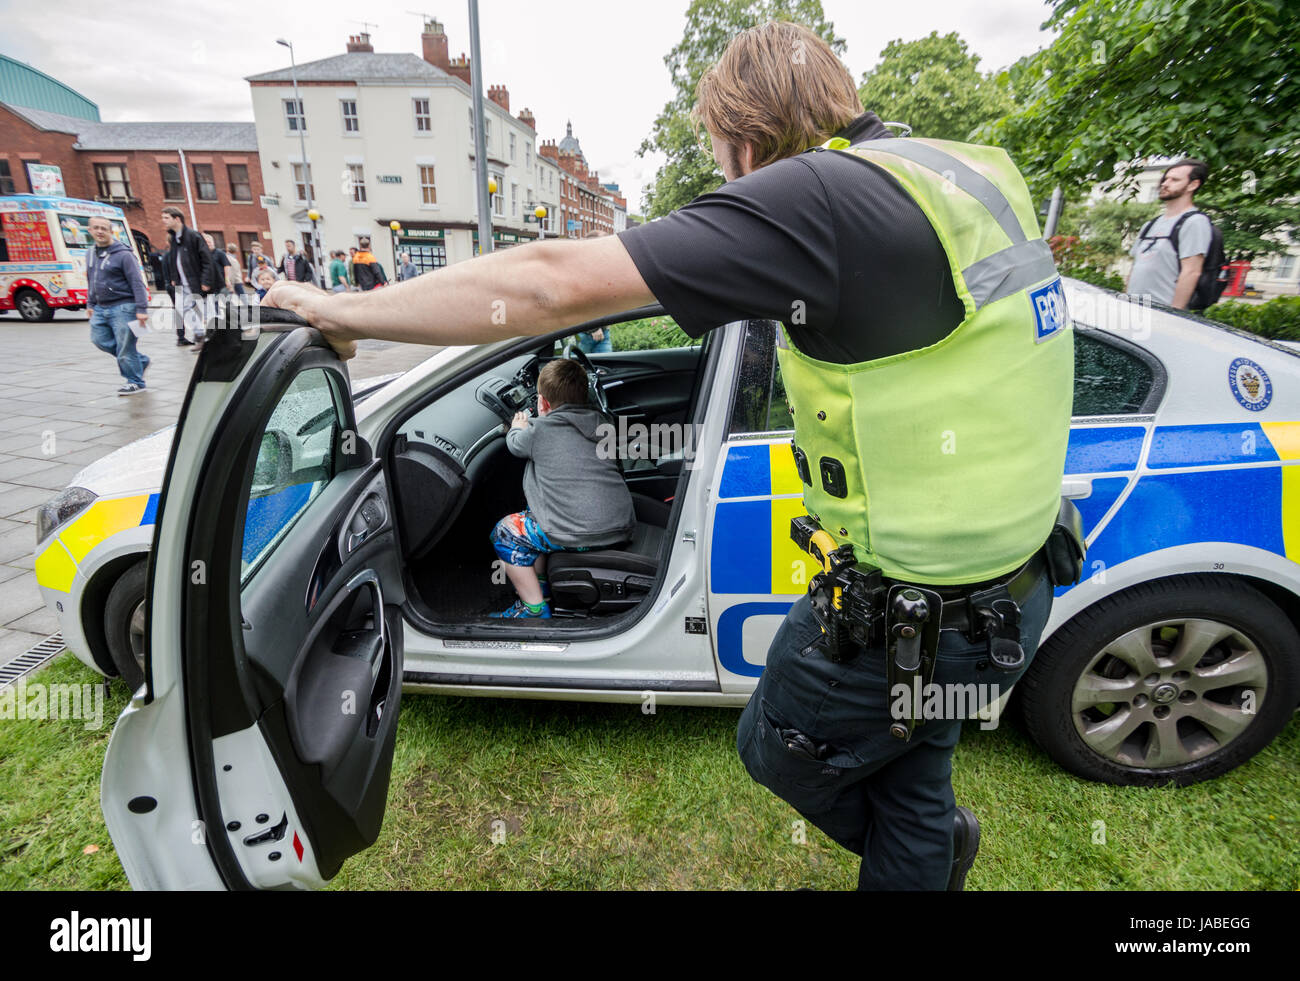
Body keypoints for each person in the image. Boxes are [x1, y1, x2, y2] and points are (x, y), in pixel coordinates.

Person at [264, 20, 1073, 891]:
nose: (728, 174)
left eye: (722, 152)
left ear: (748, 139)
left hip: (906, 612)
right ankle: (928, 847)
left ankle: (922, 856)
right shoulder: (965, 172)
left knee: (776, 746)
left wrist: (337, 310)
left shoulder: (820, 196)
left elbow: (545, 284)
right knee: (912, 767)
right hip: (1008, 588)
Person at [489, 358, 635, 618]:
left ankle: (533, 608)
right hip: (620, 527)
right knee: (534, 518)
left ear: (543, 402)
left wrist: (518, 426)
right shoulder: (604, 423)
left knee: (507, 532)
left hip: (574, 534)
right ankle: (544, 587)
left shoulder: (537, 429)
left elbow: (515, 445)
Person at [1126, 158, 1214, 309]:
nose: (1165, 183)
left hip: (1162, 314)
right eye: (1166, 179)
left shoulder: (1195, 222)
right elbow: (1135, 268)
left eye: (1174, 180)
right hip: (1134, 312)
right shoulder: (1150, 224)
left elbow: (1191, 272)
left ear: (1193, 185)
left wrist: (1174, 316)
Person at [85, 215, 151, 395]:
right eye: (96, 228)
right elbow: (91, 279)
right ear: (89, 230)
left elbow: (137, 282)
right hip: (100, 307)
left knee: (125, 346)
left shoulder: (124, 254)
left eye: (103, 228)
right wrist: (90, 303)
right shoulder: (90, 253)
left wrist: (141, 308)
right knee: (99, 340)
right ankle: (139, 361)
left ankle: (135, 381)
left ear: (111, 231)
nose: (99, 231)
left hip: (124, 306)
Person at [161, 205, 213, 347]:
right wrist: (174, 277)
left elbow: (206, 259)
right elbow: (174, 259)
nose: (163, 221)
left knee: (203, 310)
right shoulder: (174, 238)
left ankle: (210, 336)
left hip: (194, 281)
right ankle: (200, 335)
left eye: (166, 218)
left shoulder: (193, 236)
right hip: (181, 283)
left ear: (177, 219)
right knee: (183, 310)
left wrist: (206, 280)